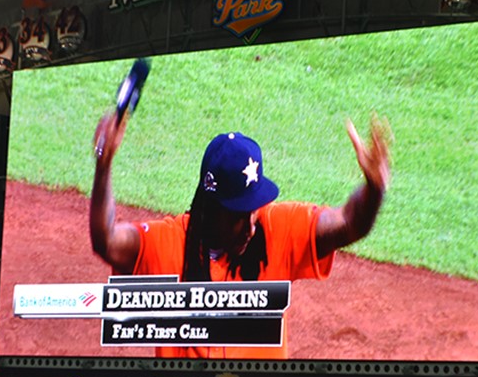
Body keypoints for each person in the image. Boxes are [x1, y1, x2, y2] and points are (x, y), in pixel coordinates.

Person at [89, 108, 390, 358]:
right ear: (210, 208)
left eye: (254, 209)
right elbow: (107, 240)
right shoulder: (167, 243)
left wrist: (374, 190)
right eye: (237, 215)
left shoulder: (278, 229)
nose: (250, 226)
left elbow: (350, 224)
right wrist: (104, 167)